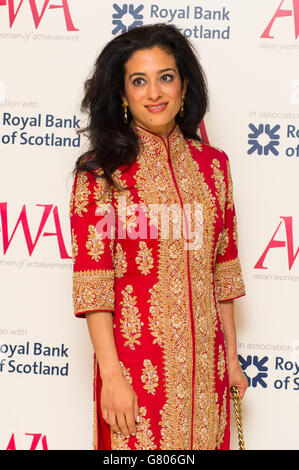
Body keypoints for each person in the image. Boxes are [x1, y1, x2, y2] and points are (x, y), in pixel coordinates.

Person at [69, 23, 248, 450]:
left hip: (207, 374)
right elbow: (93, 285)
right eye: (139, 81)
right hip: (135, 372)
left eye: (165, 77)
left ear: (184, 86)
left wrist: (232, 361)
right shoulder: (101, 173)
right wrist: (111, 376)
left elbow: (223, 271)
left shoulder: (213, 168)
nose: (155, 93)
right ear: (122, 94)